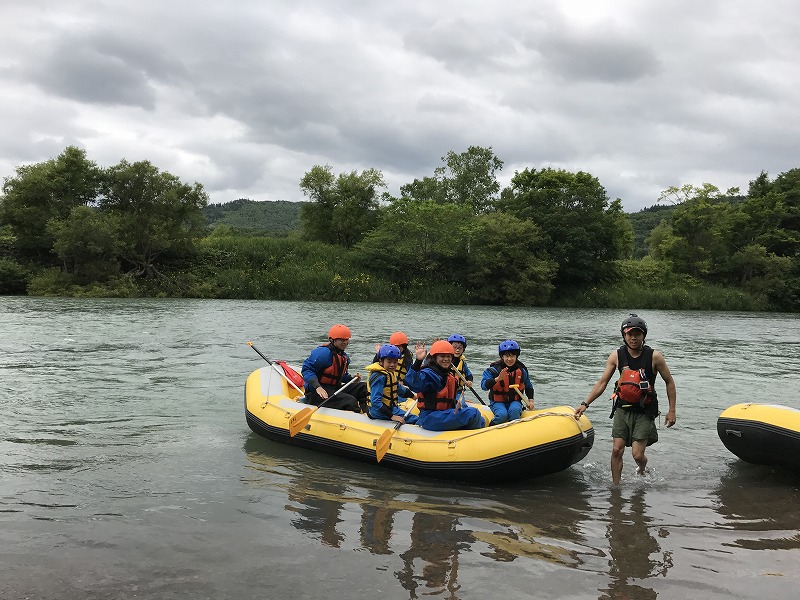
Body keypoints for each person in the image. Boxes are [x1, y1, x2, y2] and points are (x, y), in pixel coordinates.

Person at [574, 314, 677, 485]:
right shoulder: (616, 356)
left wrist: (672, 410)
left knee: (637, 454)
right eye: (629, 334)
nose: (633, 338)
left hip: (644, 411)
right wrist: (585, 404)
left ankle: (642, 467)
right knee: (616, 450)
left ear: (644, 335)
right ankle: (616, 488)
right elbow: (602, 382)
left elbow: (669, 382)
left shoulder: (655, 357)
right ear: (624, 336)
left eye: (637, 334)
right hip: (622, 409)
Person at [403, 340, 485, 431]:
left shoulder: (447, 374)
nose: (446, 359)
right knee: (473, 413)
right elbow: (412, 383)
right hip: (430, 417)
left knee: (481, 421)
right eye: (442, 356)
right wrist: (418, 361)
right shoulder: (429, 374)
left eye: (448, 356)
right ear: (435, 358)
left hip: (443, 414)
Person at [301, 324, 368, 413]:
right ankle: (356, 417)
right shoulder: (323, 353)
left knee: (364, 387)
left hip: (334, 389)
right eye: (341, 340)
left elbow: (340, 376)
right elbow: (307, 369)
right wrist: (317, 387)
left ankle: (366, 412)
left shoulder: (344, 356)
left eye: (346, 340)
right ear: (333, 340)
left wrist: (352, 379)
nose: (345, 342)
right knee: (350, 401)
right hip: (317, 393)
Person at [480, 339, 534, 425]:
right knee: (502, 415)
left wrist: (531, 401)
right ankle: (490, 427)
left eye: (512, 356)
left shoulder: (522, 370)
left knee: (515, 411)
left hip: (514, 401)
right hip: (497, 402)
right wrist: (497, 379)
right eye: (506, 356)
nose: (509, 359)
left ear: (516, 356)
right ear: (502, 356)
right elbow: (483, 386)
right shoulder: (493, 370)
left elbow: (528, 386)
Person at [365, 344, 418, 424]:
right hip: (379, 412)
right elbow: (375, 401)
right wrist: (392, 416)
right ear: (381, 361)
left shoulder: (390, 373)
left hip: (390, 408)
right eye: (389, 361)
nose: (392, 365)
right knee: (416, 419)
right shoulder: (380, 377)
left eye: (395, 362)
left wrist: (413, 396)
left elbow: (399, 388)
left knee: (413, 416)